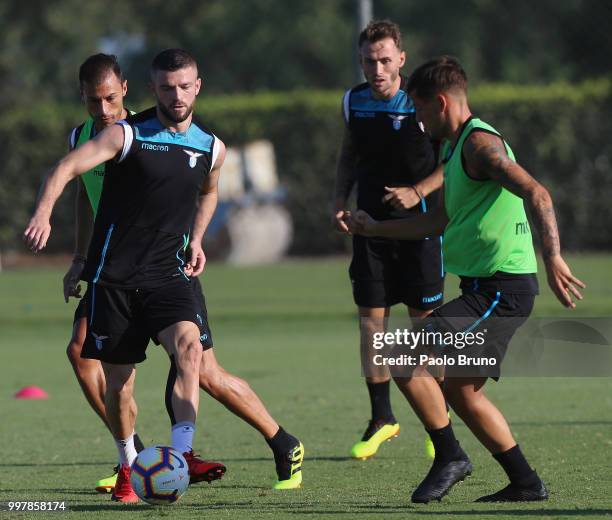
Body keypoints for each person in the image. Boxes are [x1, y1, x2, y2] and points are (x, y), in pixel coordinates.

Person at [25, 49, 303, 503]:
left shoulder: (206, 145)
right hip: (113, 276)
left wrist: (196, 240)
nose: (176, 95)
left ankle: (184, 454)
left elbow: (209, 192)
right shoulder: (120, 136)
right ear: (153, 89)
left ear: (197, 86)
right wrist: (52, 224)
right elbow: (73, 177)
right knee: (118, 382)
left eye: (184, 85)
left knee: (194, 357)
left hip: (169, 274)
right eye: (167, 87)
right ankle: (129, 460)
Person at [348, 55, 585, 503]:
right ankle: (525, 482)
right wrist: (373, 229)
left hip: (501, 291)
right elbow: (437, 219)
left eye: (419, 111)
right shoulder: (455, 149)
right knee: (461, 390)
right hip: (482, 289)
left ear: (440, 102)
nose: (417, 121)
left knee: (400, 352)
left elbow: (536, 191)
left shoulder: (479, 145)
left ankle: (449, 455)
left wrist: (553, 257)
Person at [333, 20, 444, 460]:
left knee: (425, 327)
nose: (376, 69)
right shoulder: (353, 101)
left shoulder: (421, 103)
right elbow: (348, 156)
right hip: (368, 228)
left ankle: (441, 431)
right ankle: (382, 417)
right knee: (371, 324)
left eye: (384, 60)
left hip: (418, 230)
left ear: (401, 58)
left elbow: (448, 163)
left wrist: (418, 192)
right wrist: (338, 201)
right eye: (368, 61)